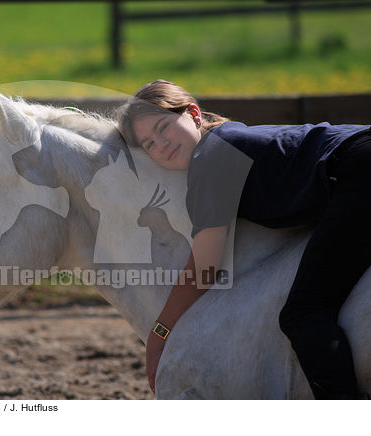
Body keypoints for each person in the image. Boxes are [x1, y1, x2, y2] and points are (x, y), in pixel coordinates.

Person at [115, 79, 371, 399]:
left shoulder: (211, 157)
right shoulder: (224, 143)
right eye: (149, 144)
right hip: (355, 164)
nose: (161, 144)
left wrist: (159, 333)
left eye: (163, 127)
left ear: (193, 114)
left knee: (303, 315)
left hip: (358, 169)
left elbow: (204, 267)